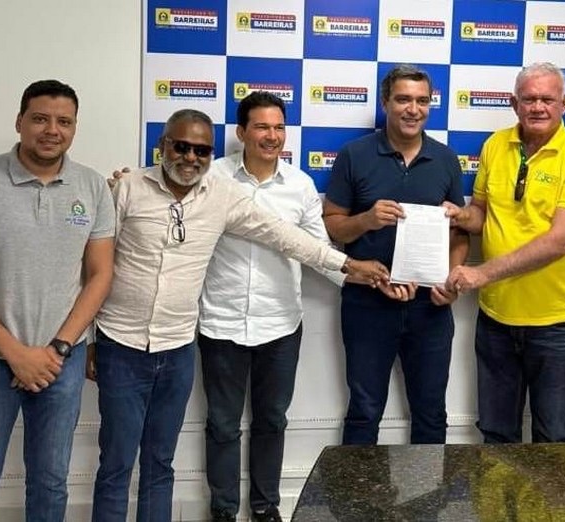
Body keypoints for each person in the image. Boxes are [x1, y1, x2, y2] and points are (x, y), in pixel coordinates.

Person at [90, 108, 387, 522]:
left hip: (191, 342)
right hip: (135, 340)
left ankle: (263, 506)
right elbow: (94, 266)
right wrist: (88, 337)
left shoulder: (224, 194)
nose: (190, 157)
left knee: (162, 462)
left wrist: (348, 266)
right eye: (181, 147)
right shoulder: (129, 188)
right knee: (120, 461)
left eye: (201, 150)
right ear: (163, 146)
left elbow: (287, 237)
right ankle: (222, 509)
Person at [0, 80, 115, 521]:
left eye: (64, 121)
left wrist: (58, 347)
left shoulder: (93, 187)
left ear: (74, 128)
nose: (52, 130)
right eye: (40, 119)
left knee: (50, 486)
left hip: (61, 361)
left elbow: (100, 275)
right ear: (19, 121)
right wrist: (16, 354)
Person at [198, 92, 351, 522]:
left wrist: (361, 278)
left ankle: (266, 507)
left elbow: (319, 252)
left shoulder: (299, 185)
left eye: (279, 127)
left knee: (272, 420)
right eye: (262, 127)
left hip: (281, 325)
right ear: (242, 132)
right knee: (222, 424)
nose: (272, 136)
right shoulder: (212, 177)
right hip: (220, 322)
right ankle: (223, 510)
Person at [445, 62, 565, 443]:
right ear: (514, 103)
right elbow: (481, 212)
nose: (538, 107)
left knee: (553, 439)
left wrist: (481, 274)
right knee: (497, 435)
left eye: (547, 99)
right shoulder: (495, 145)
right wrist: (459, 215)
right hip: (496, 319)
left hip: (555, 323)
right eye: (529, 99)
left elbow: (560, 241)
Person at [323, 64, 470, 446]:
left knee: (431, 412)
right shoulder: (354, 155)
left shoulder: (446, 159)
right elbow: (333, 226)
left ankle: (426, 490)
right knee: (364, 410)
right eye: (403, 99)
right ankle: (357, 489)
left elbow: (459, 232)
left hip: (430, 307)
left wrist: (451, 279)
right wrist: (367, 220)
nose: (413, 109)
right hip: (368, 303)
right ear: (385, 102)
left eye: (422, 101)